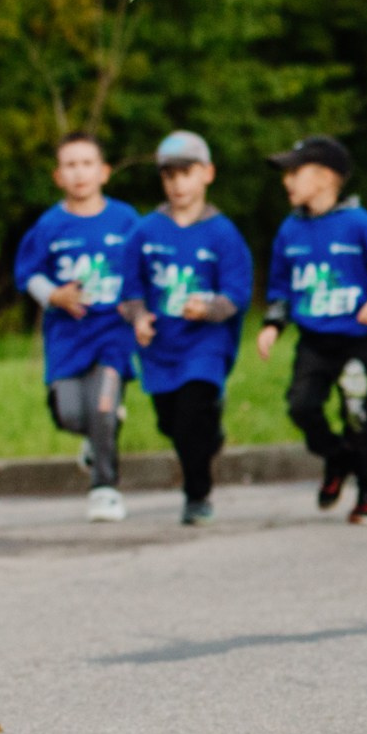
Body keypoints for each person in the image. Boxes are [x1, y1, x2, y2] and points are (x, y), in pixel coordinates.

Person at [257, 134, 367, 525]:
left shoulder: (358, 223)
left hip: (356, 340)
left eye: (295, 172)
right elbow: (280, 287)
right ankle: (336, 457)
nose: (286, 180)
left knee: (356, 412)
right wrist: (273, 325)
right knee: (301, 407)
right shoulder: (290, 230)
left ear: (325, 178)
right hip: (314, 343)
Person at [125, 131, 252, 525]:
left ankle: (197, 496)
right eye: (169, 176)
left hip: (205, 345)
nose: (178, 184)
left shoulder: (223, 233)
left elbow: (237, 293)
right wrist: (139, 317)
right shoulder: (145, 231)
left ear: (207, 174)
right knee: (171, 422)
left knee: (190, 416)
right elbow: (128, 289)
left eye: (186, 173)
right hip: (161, 347)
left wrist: (209, 308)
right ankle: (211, 434)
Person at [13, 133, 141, 522]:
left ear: (104, 172)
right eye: (70, 165)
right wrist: (54, 295)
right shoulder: (50, 225)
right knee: (69, 413)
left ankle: (105, 488)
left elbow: (143, 268)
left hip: (112, 332)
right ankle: (95, 438)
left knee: (102, 405)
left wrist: (139, 309)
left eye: (87, 164)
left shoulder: (125, 220)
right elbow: (28, 274)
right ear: (58, 176)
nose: (79, 173)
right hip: (67, 336)